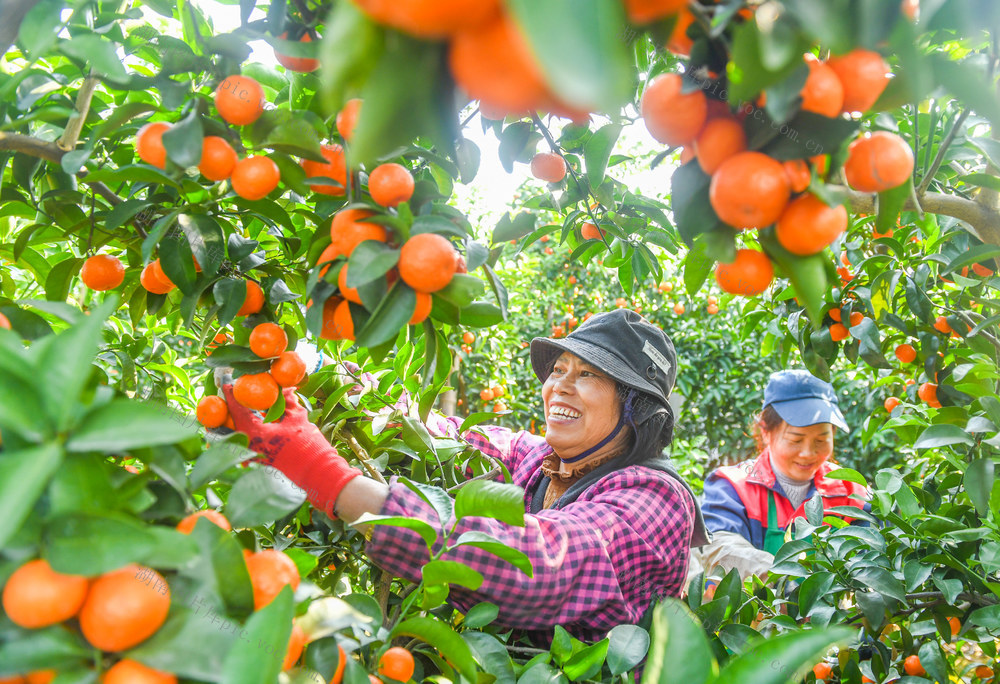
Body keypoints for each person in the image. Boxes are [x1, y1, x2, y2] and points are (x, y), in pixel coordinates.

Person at [221, 309, 708, 644]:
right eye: (558, 369)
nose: (559, 385)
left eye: (588, 375)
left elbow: (536, 566)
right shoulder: (538, 461)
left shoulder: (656, 499)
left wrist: (325, 476)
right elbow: (433, 430)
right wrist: (315, 368)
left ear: (637, 409)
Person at [697, 369, 868, 586]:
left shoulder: (851, 493)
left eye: (821, 440)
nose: (808, 453)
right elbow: (722, 549)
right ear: (766, 432)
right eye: (796, 440)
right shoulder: (731, 486)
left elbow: (870, 561)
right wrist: (786, 583)